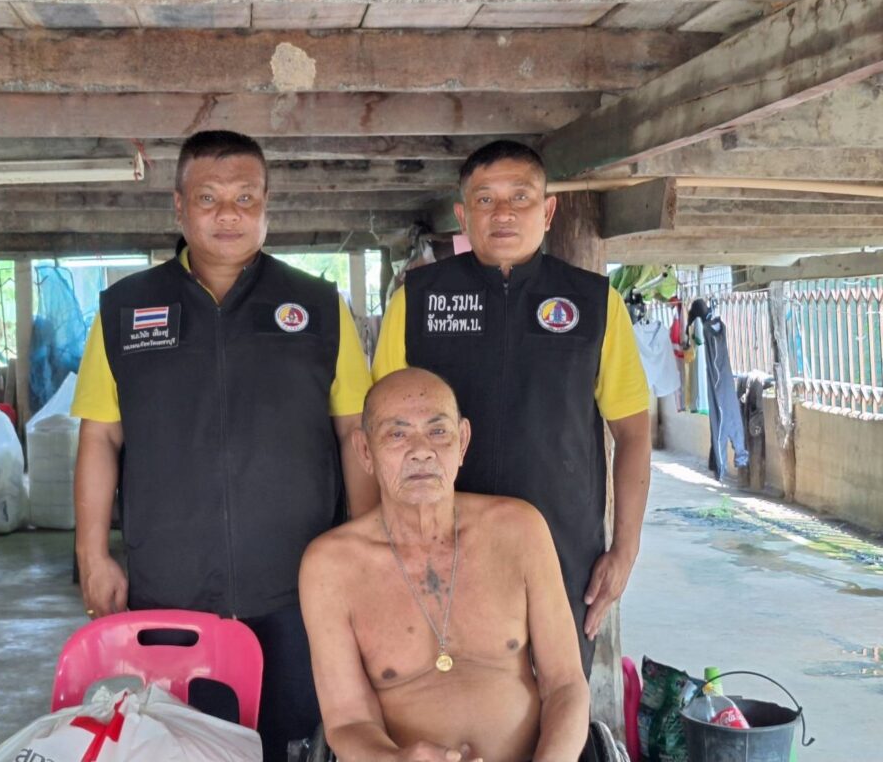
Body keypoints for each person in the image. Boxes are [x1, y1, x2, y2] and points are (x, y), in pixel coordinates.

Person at [70, 130, 376, 760]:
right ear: (179, 206)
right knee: (181, 743)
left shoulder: (318, 307)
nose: (228, 214)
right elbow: (100, 435)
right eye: (209, 198)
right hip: (171, 586)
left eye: (245, 197)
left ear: (266, 207)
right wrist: (92, 554)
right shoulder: (125, 310)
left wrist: (371, 545)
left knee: (295, 738)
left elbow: (356, 433)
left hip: (300, 585)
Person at [372, 140, 651, 676]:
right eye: (485, 199)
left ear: (547, 211)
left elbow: (634, 433)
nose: (502, 213)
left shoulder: (595, 304)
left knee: (555, 692)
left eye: (520, 197)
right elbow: (383, 433)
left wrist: (625, 549)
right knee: (444, 693)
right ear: (463, 216)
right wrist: (379, 539)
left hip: (562, 548)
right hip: (437, 544)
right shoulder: (418, 301)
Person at [300, 368, 590, 762]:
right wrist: (397, 760)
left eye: (438, 431)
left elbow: (566, 685)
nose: (421, 450)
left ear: (462, 441)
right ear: (365, 451)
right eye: (397, 434)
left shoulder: (519, 529)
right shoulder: (331, 567)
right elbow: (348, 721)